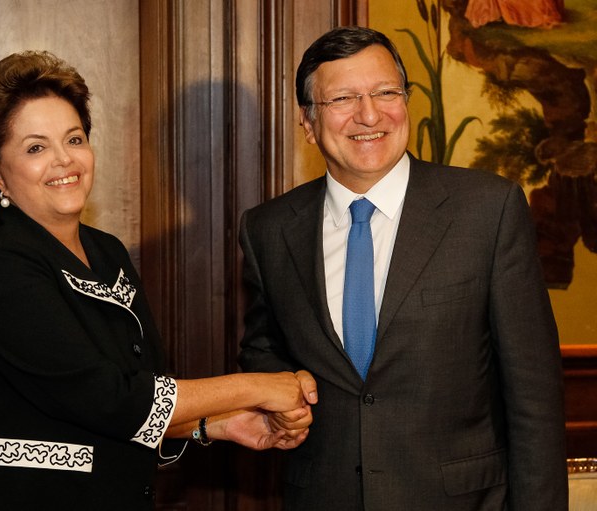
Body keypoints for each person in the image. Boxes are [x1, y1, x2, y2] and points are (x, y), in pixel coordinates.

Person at [0, 50, 316, 511]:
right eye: (36, 148)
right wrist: (258, 386)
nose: (64, 160)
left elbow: (135, 394)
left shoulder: (107, 252)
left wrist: (216, 425)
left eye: (75, 139)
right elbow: (108, 398)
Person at [238, 26, 567, 510]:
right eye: (343, 98)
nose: (369, 114)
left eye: (386, 92)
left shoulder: (486, 210)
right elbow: (262, 349)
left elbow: (534, 394)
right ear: (308, 122)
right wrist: (284, 391)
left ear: (406, 102)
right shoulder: (268, 229)